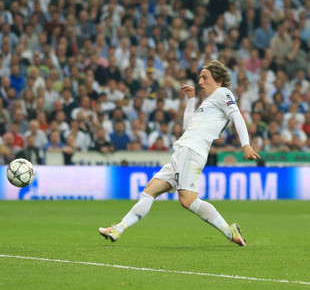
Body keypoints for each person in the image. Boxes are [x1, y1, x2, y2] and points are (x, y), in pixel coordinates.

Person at [99, 60, 260, 247]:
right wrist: (191, 100)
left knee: (187, 200)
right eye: (200, 77)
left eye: (205, 77)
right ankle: (118, 228)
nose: (200, 81)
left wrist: (246, 144)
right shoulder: (209, 102)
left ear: (219, 79)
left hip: (192, 151)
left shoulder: (223, 93)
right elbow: (188, 127)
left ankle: (229, 231)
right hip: (183, 151)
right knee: (149, 191)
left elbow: (237, 116)